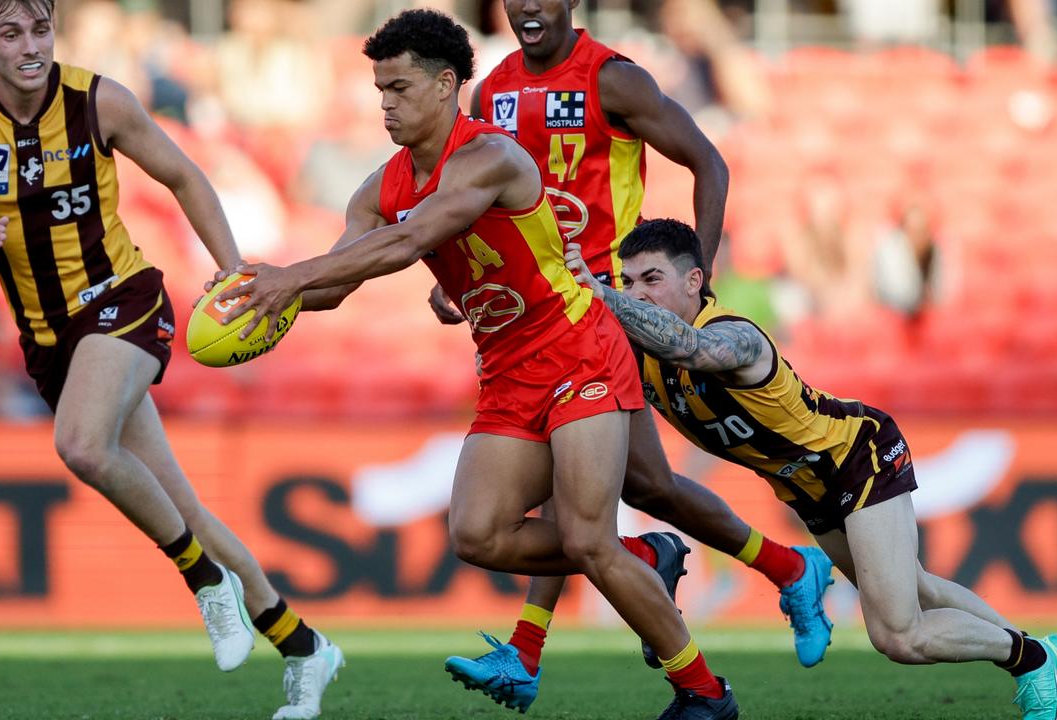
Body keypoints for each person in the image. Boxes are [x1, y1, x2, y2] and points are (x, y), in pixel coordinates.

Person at [216, 10, 737, 720]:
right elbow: (337, 284)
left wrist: (291, 275)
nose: (386, 105)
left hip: (579, 344)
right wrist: (269, 309)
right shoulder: (380, 186)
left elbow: (415, 240)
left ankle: (704, 694)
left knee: (587, 536)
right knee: (478, 534)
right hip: (508, 369)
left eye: (399, 88)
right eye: (379, 91)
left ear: (445, 85)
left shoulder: (491, 157)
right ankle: (647, 561)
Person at [0, 3, 342, 719]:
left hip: (122, 299)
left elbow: (186, 177)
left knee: (81, 444)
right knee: (181, 504)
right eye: (11, 34)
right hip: (47, 339)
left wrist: (234, 275)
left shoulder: (100, 101)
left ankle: (203, 581)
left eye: (40, 30)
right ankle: (304, 647)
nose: (30, 48)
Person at [434, 1, 829, 709]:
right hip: (535, 316)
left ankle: (540, 644)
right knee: (645, 487)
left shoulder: (612, 80)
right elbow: (480, 209)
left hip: (600, 313)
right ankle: (779, 566)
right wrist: (463, 278)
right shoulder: (490, 90)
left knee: (600, 490)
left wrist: (694, 287)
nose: (525, 5)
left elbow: (708, 160)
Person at [567, 217, 1057, 720]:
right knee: (918, 589)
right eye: (627, 281)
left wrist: (604, 296)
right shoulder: (640, 351)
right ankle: (1036, 653)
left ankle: (1032, 660)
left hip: (857, 459)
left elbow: (691, 349)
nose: (635, 293)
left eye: (651, 279)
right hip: (809, 488)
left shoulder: (733, 335)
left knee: (898, 635)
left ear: (694, 280)